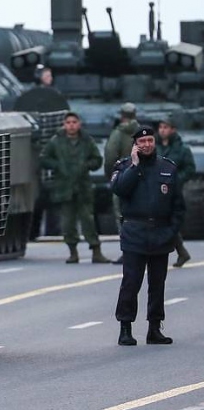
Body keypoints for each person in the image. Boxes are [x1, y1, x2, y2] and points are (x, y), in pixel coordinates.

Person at [112, 126, 185, 346]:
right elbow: (119, 189)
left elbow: (178, 205)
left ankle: (154, 328)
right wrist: (134, 166)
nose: (146, 145)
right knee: (131, 283)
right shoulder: (124, 166)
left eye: (150, 141)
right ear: (135, 145)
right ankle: (125, 327)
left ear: (155, 142)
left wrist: (171, 231)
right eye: (142, 142)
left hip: (160, 233)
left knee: (157, 284)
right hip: (135, 232)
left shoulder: (168, 168)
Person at [40, 112, 110, 263]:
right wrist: (58, 166)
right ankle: (73, 251)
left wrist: (86, 165)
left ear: (79, 124)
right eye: (68, 122)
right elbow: (44, 158)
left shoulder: (86, 141)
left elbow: (97, 159)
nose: (71, 125)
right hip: (64, 187)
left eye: (74, 122)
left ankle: (96, 250)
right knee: (67, 223)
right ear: (64, 125)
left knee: (88, 220)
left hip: (83, 186)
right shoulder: (56, 141)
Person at [156, 116, 196, 267]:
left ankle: (180, 252)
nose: (162, 130)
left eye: (165, 127)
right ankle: (182, 252)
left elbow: (190, 169)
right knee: (162, 221)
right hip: (156, 189)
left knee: (167, 221)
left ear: (173, 130)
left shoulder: (182, 149)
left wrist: (177, 179)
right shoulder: (155, 147)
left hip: (173, 190)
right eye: (160, 127)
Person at [104, 102, 140, 265]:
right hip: (141, 178)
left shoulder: (118, 133)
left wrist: (111, 176)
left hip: (123, 177)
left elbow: (110, 156)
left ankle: (128, 251)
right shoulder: (142, 132)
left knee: (122, 215)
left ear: (122, 116)